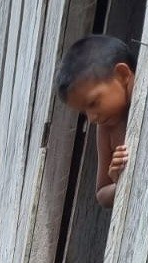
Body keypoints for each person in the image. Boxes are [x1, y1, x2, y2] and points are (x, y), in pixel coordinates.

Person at [56, 35, 137, 209]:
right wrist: (119, 182)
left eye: (93, 103)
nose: (92, 118)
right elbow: (101, 193)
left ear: (122, 75)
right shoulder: (106, 129)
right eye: (84, 112)